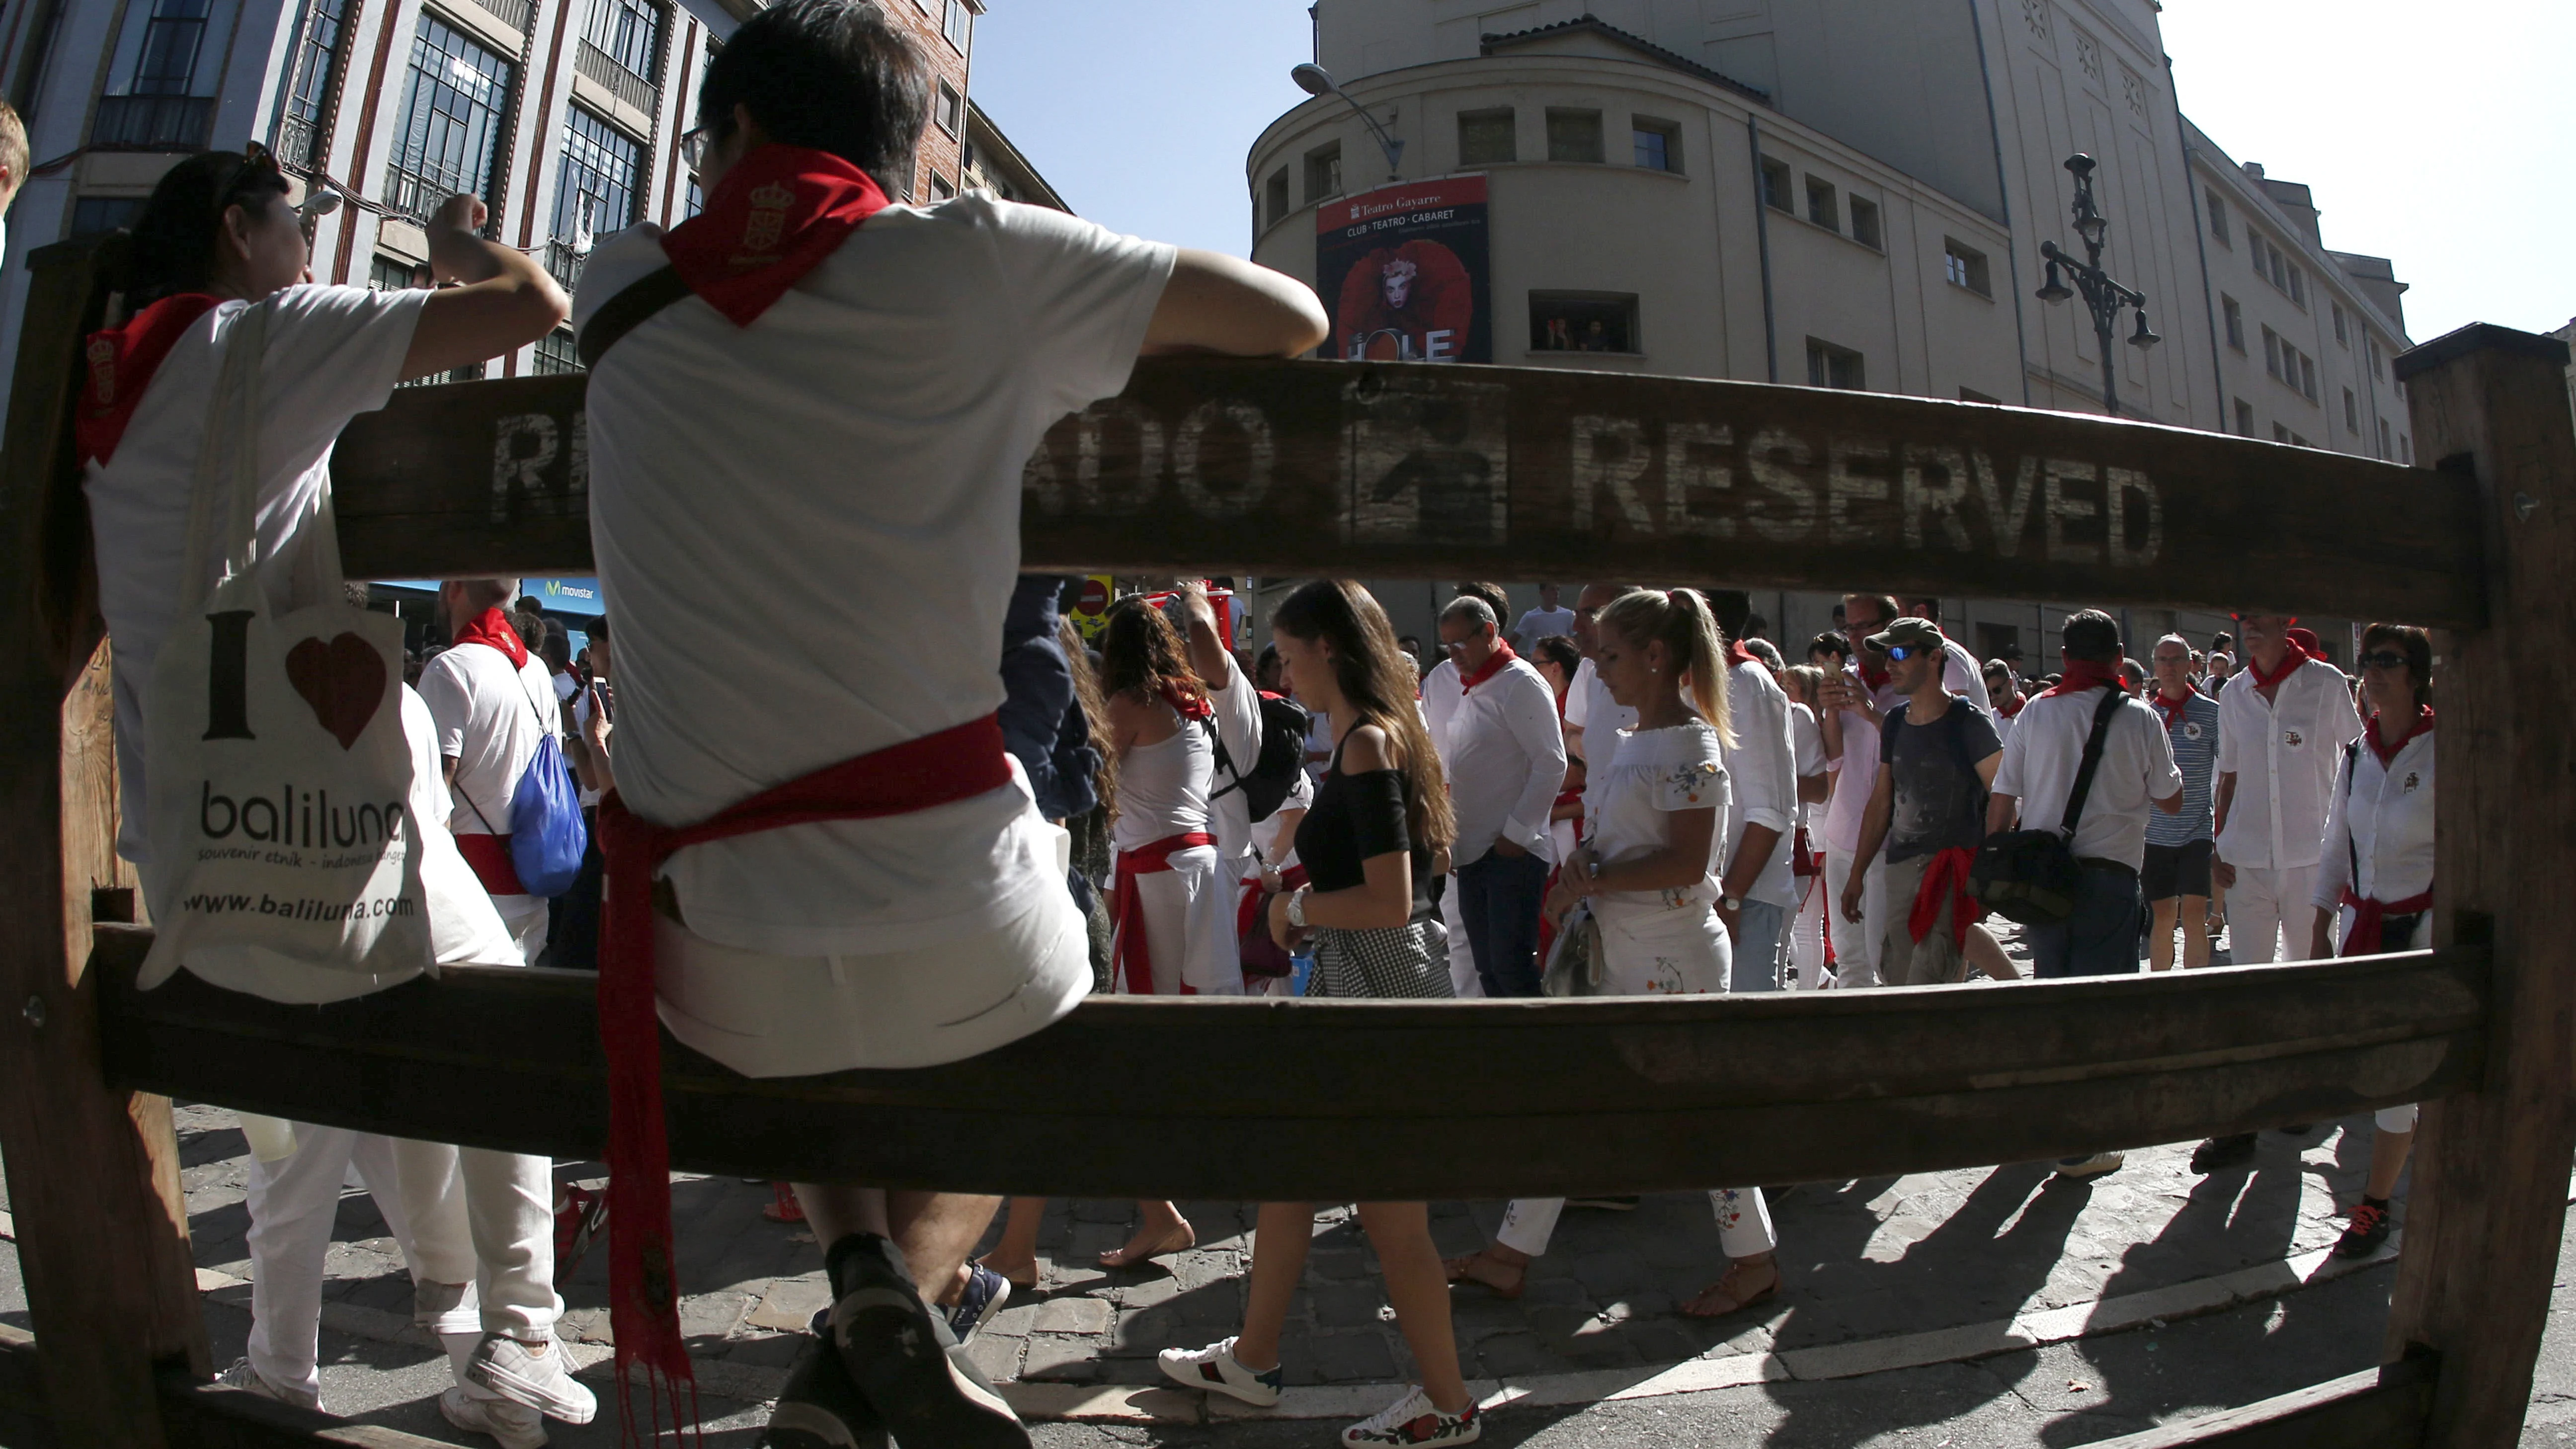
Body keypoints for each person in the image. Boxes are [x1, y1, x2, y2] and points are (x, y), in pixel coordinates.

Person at [574, 2, 1330, 1441]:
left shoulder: (617, 288)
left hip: (707, 951)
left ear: (729, 135)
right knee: (1012, 1082)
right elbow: (1289, 318)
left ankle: (855, 1271)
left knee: (803, 1025)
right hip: (954, 912)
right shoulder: (975, 261)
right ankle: (893, 1321)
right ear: (908, 147)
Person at [75, 141, 578, 1435]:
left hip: (194, 848)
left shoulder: (109, 383)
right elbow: (534, 308)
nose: (310, 243)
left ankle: (401, 1345)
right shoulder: (265, 341)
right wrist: (460, 249)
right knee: (490, 1039)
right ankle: (505, 1344)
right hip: (328, 828)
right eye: (298, 222)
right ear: (242, 231)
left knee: (361, 1098)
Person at [1160, 581, 1482, 1448]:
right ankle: (1253, 1358)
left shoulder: (1369, 741)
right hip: (1366, 987)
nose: (1285, 669)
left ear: (1327, 650)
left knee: (1389, 1217)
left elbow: (1389, 900)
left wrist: (1293, 912)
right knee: (1296, 1174)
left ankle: (1446, 1403)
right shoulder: (1372, 737)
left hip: (1372, 990)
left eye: (1292, 654)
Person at [1446, 588, 1782, 1320]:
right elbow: (1627, 840)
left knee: (1697, 1119)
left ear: (1656, 657)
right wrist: (1585, 869)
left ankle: (1753, 1261)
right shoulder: (1639, 740)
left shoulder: (1689, 744)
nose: (1598, 671)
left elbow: (1687, 865)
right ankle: (1510, 1255)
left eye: (1609, 656)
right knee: (1576, 1102)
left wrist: (1589, 878)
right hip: (1627, 946)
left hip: (1672, 953)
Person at [1987, 610, 2181, 1179]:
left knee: (2051, 1000)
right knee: (2099, 1015)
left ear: (2065, 657)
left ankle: (2046, 1122)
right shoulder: (2142, 718)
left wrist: (1989, 866)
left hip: (2043, 881)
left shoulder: (2035, 716)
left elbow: (2003, 800)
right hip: (2110, 880)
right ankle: (2080, 1144)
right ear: (2119, 657)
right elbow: (2170, 800)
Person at [2309, 624, 2436, 1258]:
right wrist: (2316, 920)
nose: (2376, 670)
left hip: (2427, 928)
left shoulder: (2446, 749)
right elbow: (2337, 842)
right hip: (2364, 928)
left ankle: (2376, 1202)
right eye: (2369, 660)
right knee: (2380, 1066)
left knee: (2398, 1070)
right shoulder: (2356, 755)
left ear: (2417, 673)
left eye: (2390, 660)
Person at [1839, 618, 2003, 987]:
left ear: (1934, 658)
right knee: (1895, 977)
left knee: (1928, 983)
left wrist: (1988, 868)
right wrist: (1856, 875)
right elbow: (1882, 802)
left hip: (1949, 872)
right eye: (1885, 654)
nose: (1889, 663)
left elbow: (2003, 794)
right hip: (1900, 871)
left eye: (1900, 652)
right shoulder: (1895, 722)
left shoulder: (1968, 722)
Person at [1436, 595, 1565, 998]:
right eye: (1447, 647)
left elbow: (1552, 763)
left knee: (1512, 972)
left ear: (1489, 633)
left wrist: (1516, 835)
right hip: (1475, 854)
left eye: (1460, 644)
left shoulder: (1520, 682)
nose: (1453, 656)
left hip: (1509, 855)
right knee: (1489, 972)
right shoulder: (1477, 686)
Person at [1709, 591, 1799, 992]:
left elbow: (1770, 811)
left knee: (1742, 1038)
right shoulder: (1704, 681)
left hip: (1746, 899)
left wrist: (1731, 898)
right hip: (1712, 897)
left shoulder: (1748, 684)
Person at [2143, 635, 2222, 972]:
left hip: (2197, 829)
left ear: (2191, 665)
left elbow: (2230, 768)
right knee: (2163, 916)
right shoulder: (2145, 715)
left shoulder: (2211, 713)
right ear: (2155, 667)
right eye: (2163, 660)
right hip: (2155, 833)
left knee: (2192, 913)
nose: (2169, 667)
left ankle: (2194, 988)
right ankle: (2161, 986)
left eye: (2176, 660)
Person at [1778, 664, 1833, 989]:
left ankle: (1811, 992)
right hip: (1813, 829)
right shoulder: (1786, 723)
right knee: (1799, 924)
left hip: (1822, 833)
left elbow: (1824, 787)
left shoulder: (1816, 729)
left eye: (1790, 687)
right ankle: (1822, 981)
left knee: (1808, 924)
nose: (1782, 692)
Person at [1512, 582, 1579, 648]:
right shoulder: (1531, 617)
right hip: (1538, 658)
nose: (1556, 593)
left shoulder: (1567, 615)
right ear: (1542, 592)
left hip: (1561, 657)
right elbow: (1513, 640)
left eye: (1558, 589)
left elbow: (1576, 640)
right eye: (1552, 589)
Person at [1984, 659, 2025, 749]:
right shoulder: (1988, 719)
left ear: (2011, 683)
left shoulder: (2030, 714)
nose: (1993, 697)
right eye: (1989, 693)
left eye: (1997, 690)